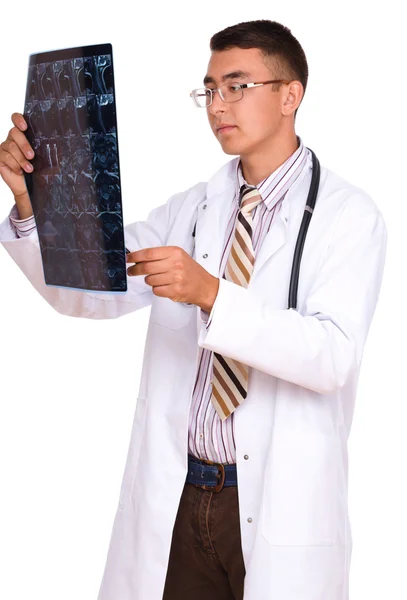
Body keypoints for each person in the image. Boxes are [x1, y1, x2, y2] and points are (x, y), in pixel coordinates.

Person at [0, 19, 387, 600]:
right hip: (181, 498)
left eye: (237, 86)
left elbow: (332, 357)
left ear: (290, 95)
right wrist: (33, 202)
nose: (218, 105)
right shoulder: (193, 208)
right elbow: (86, 292)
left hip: (277, 508)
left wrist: (211, 293)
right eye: (210, 89)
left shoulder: (349, 216)